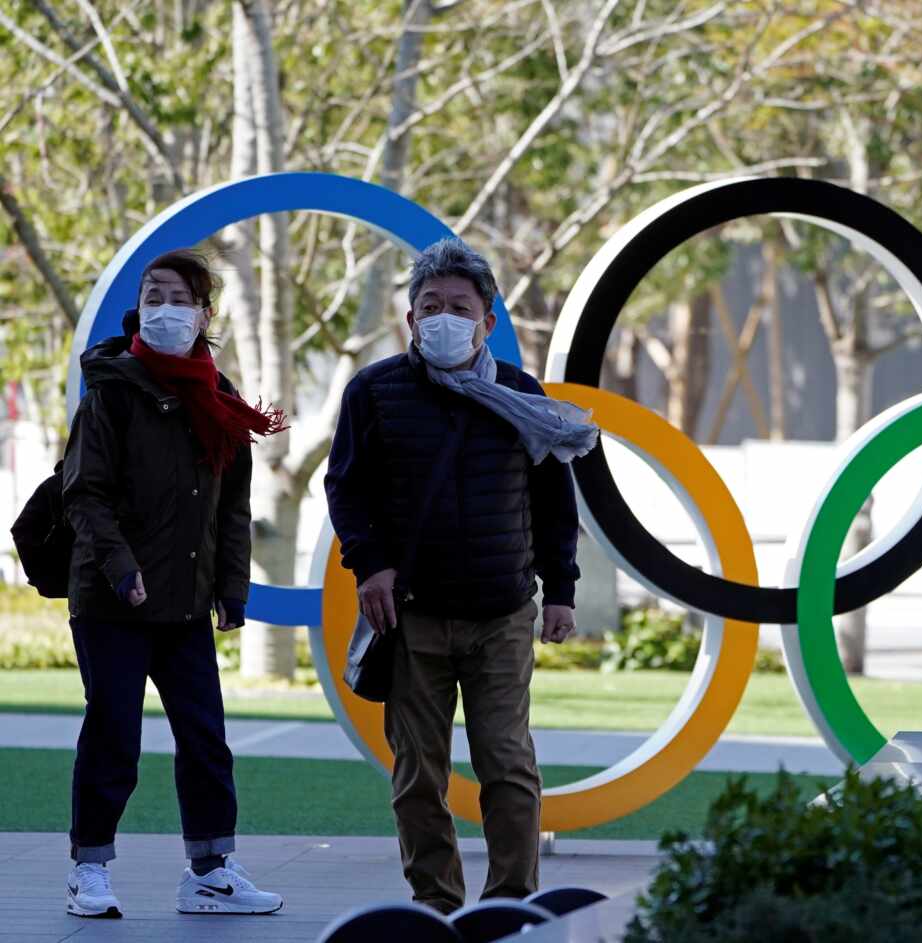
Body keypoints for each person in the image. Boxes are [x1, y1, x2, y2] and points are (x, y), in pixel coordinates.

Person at [325, 238, 597, 914]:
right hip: (412, 615)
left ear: (488, 321)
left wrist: (560, 591)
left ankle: (511, 905)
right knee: (419, 773)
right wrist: (371, 563)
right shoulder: (373, 391)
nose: (444, 317)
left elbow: (554, 503)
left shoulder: (523, 397)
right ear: (411, 319)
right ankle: (437, 906)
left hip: (503, 612)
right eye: (430, 306)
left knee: (506, 762)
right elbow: (347, 489)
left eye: (459, 307)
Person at [62, 249, 287, 918]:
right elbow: (85, 493)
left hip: (185, 602)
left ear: (203, 313)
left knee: (206, 738)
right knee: (114, 735)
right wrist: (122, 568)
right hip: (112, 601)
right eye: (152, 294)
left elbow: (232, 507)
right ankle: (89, 869)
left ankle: (211, 871)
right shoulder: (111, 390)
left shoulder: (219, 403)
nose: (163, 307)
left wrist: (232, 589)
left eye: (178, 297)